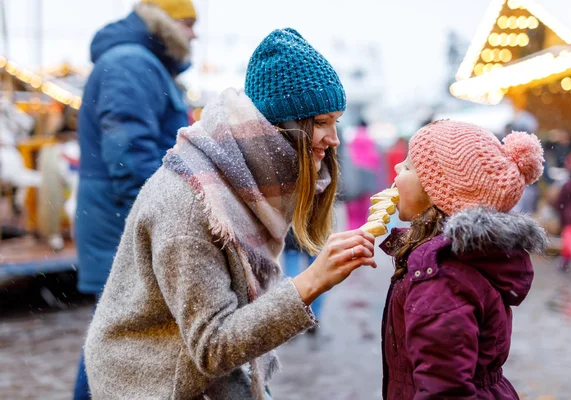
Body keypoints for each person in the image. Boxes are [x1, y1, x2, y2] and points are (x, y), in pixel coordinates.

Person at [84, 28, 376, 400]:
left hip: (206, 377)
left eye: (336, 121)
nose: (334, 138)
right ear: (282, 125)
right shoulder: (190, 205)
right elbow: (213, 346)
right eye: (321, 122)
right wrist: (310, 282)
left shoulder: (247, 179)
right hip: (155, 384)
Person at [73, 0, 197, 398]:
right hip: (120, 222)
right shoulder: (131, 62)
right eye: (189, 23)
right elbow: (130, 155)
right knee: (111, 341)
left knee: (114, 337)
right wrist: (163, 216)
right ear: (166, 22)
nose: (195, 33)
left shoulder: (141, 61)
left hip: (119, 218)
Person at [379, 120, 547, 398]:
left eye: (408, 167)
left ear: (436, 194)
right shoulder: (453, 261)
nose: (397, 168)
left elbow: (443, 390)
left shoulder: (441, 277)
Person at [345, 119, 380, 229]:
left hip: (353, 179)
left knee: (352, 213)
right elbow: (376, 162)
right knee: (364, 212)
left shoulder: (351, 141)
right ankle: (361, 234)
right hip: (367, 180)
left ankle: (351, 233)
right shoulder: (371, 140)